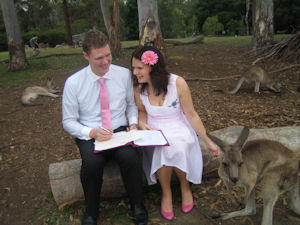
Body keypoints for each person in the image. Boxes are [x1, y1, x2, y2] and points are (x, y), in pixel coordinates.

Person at [62, 30, 148, 225]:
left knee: (131, 158)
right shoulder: (73, 83)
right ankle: (91, 212)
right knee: (92, 164)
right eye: (99, 58)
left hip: (119, 130)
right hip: (90, 133)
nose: (106, 61)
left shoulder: (123, 74)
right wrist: (90, 132)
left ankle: (137, 205)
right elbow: (68, 121)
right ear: (86, 56)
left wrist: (133, 123)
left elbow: (131, 105)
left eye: (108, 55)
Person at [131, 46, 220, 221]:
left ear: (152, 67)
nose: (135, 72)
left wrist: (208, 141)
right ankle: (166, 193)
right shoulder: (138, 88)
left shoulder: (177, 83)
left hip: (178, 125)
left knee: (176, 145)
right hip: (155, 128)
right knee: (163, 147)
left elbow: (192, 115)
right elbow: (142, 111)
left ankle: (185, 186)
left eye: (139, 68)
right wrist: (142, 123)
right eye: (133, 68)